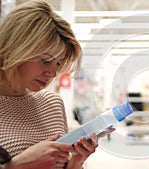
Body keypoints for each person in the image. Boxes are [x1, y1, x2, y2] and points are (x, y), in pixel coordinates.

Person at [0, 0, 114, 169]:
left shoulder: (52, 104)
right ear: (15, 48)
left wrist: (76, 162)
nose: (52, 73)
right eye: (45, 61)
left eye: (58, 64)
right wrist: (15, 165)